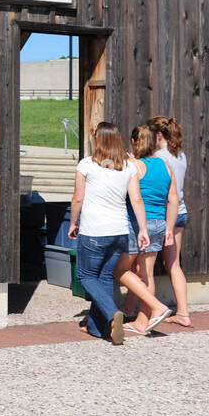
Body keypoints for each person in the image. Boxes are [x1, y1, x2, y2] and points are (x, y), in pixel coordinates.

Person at [68, 122, 171, 344]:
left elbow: (78, 197)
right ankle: (102, 328)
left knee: (85, 276)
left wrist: (72, 222)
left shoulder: (86, 164)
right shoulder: (128, 166)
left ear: (98, 140)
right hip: (120, 232)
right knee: (104, 276)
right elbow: (136, 199)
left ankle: (113, 312)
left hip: (94, 231)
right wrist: (142, 229)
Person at [123, 124, 180, 335]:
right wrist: (169, 229)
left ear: (133, 142)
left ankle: (155, 307)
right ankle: (142, 319)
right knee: (146, 273)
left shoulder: (134, 166)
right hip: (159, 223)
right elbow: (173, 199)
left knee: (121, 269)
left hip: (137, 224)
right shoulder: (165, 165)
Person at [149, 115, 192, 327]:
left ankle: (147, 311)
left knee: (145, 265)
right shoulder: (180, 155)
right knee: (174, 264)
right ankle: (183, 312)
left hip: (164, 214)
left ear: (158, 135)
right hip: (181, 212)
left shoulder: (158, 157)